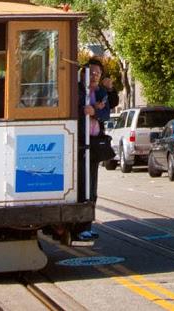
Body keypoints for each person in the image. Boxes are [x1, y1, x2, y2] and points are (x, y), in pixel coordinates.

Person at [75, 59, 104, 245]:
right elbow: (73, 110)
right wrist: (84, 110)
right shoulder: (77, 89)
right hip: (77, 142)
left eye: (98, 73)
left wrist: (93, 111)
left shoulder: (100, 92)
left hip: (94, 144)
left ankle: (87, 227)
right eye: (91, 72)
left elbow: (106, 112)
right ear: (83, 74)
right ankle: (78, 227)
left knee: (91, 187)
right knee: (80, 185)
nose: (94, 76)